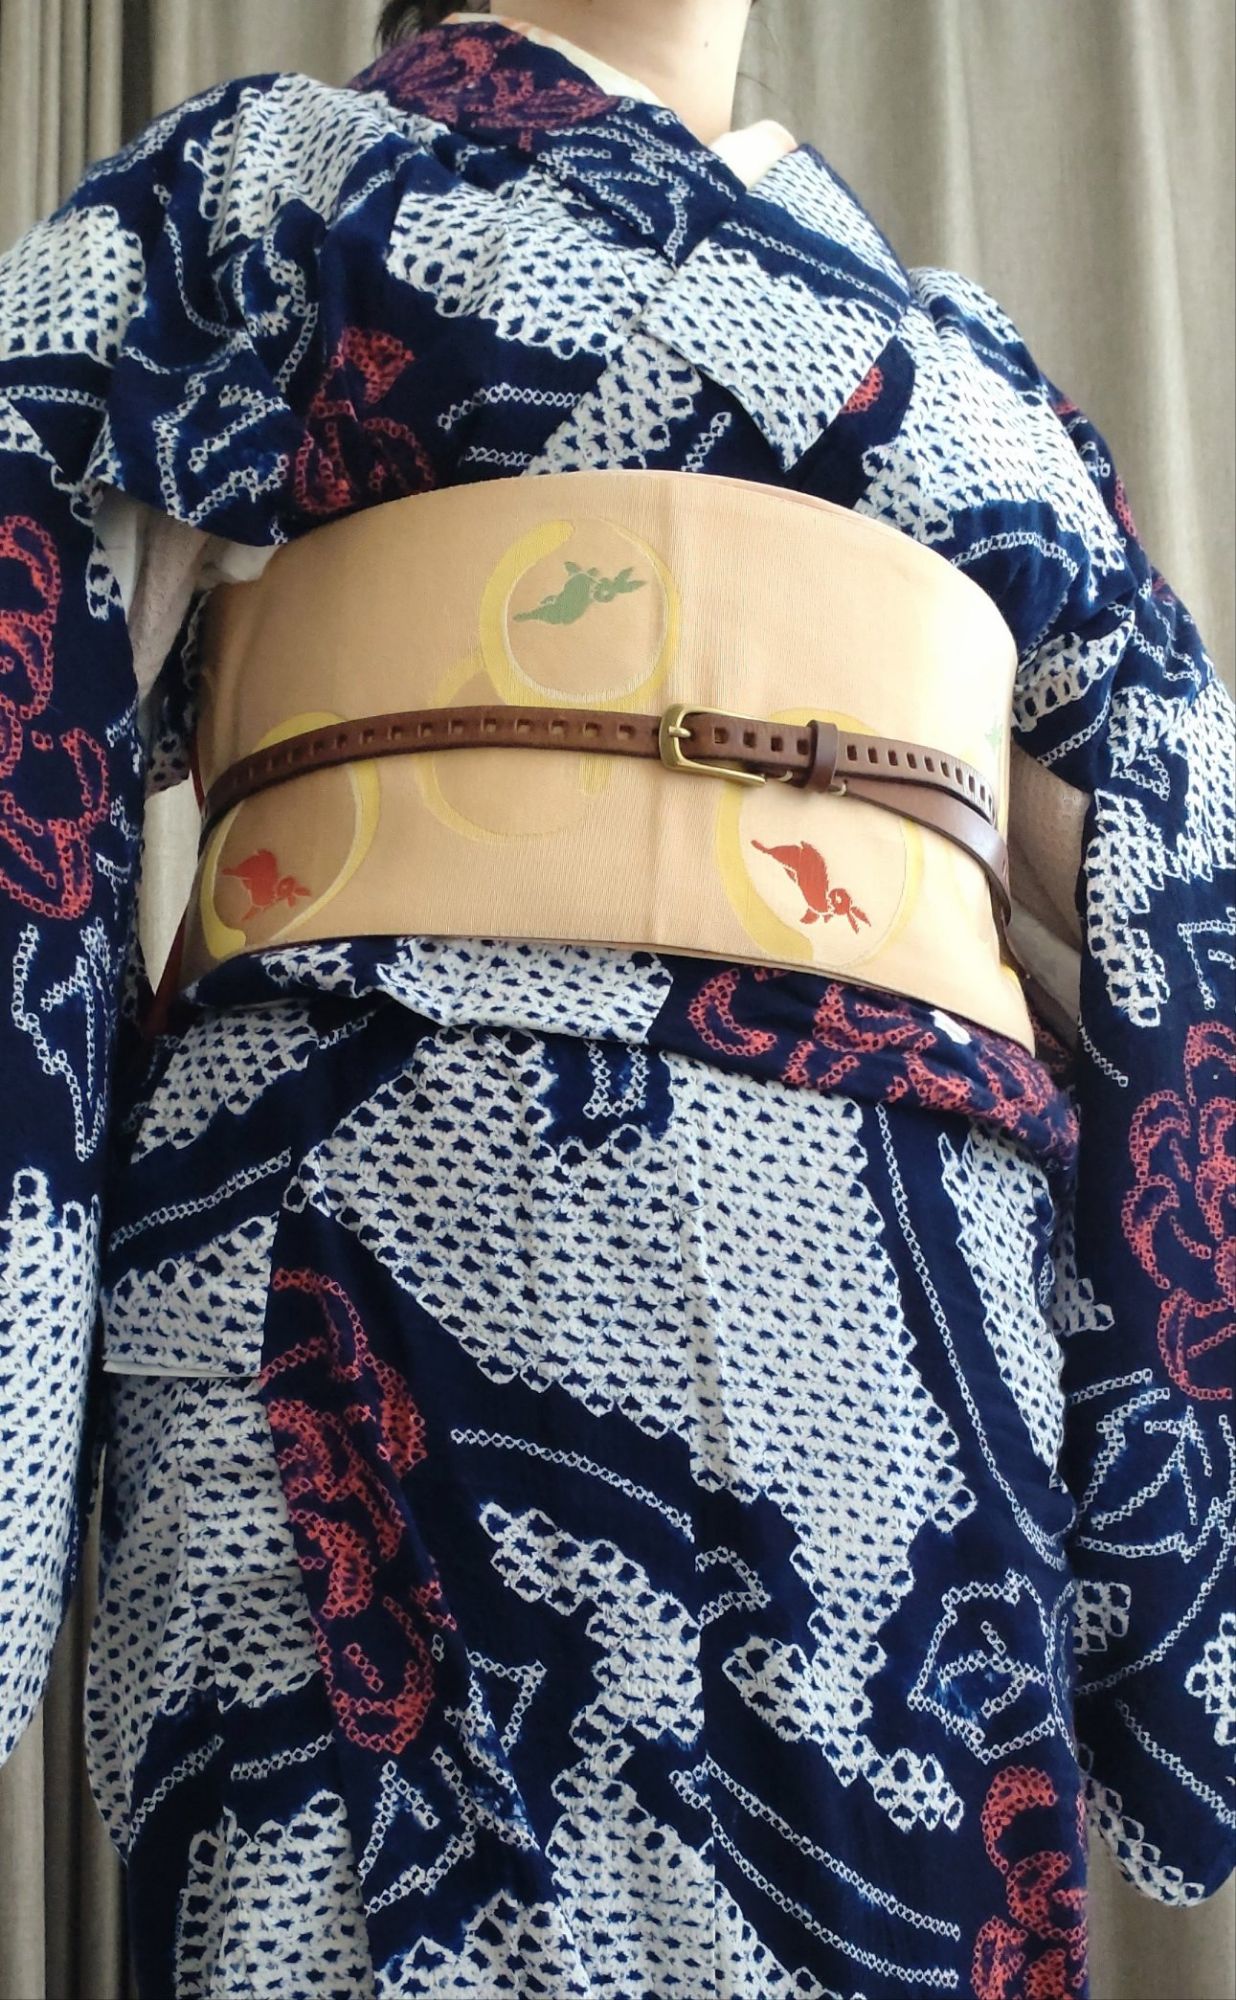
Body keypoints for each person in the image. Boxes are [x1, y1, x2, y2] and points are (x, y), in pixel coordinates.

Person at [0, 1, 1231, 1992]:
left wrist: (1155, 1512)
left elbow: (1176, 894)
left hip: (909, 1324)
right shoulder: (257, 192)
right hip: (369, 1231)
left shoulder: (977, 371)